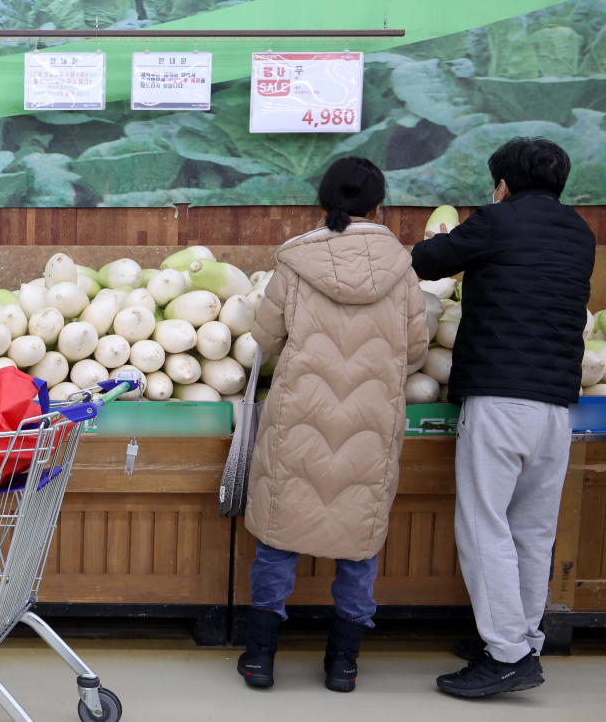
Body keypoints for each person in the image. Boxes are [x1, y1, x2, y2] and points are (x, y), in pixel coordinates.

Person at [412, 137, 595, 697]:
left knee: (484, 525)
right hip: (555, 406)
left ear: (503, 185)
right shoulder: (580, 232)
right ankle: (520, 640)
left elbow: (425, 262)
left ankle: (507, 656)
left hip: (499, 398)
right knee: (533, 530)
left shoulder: (496, 221)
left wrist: (447, 236)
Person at [240, 157, 430, 691]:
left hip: (300, 415)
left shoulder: (295, 262)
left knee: (278, 535)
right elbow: (416, 350)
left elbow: (266, 338)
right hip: (372, 421)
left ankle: (259, 658)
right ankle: (343, 664)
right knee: (359, 542)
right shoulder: (402, 268)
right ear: (378, 205)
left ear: (323, 201)